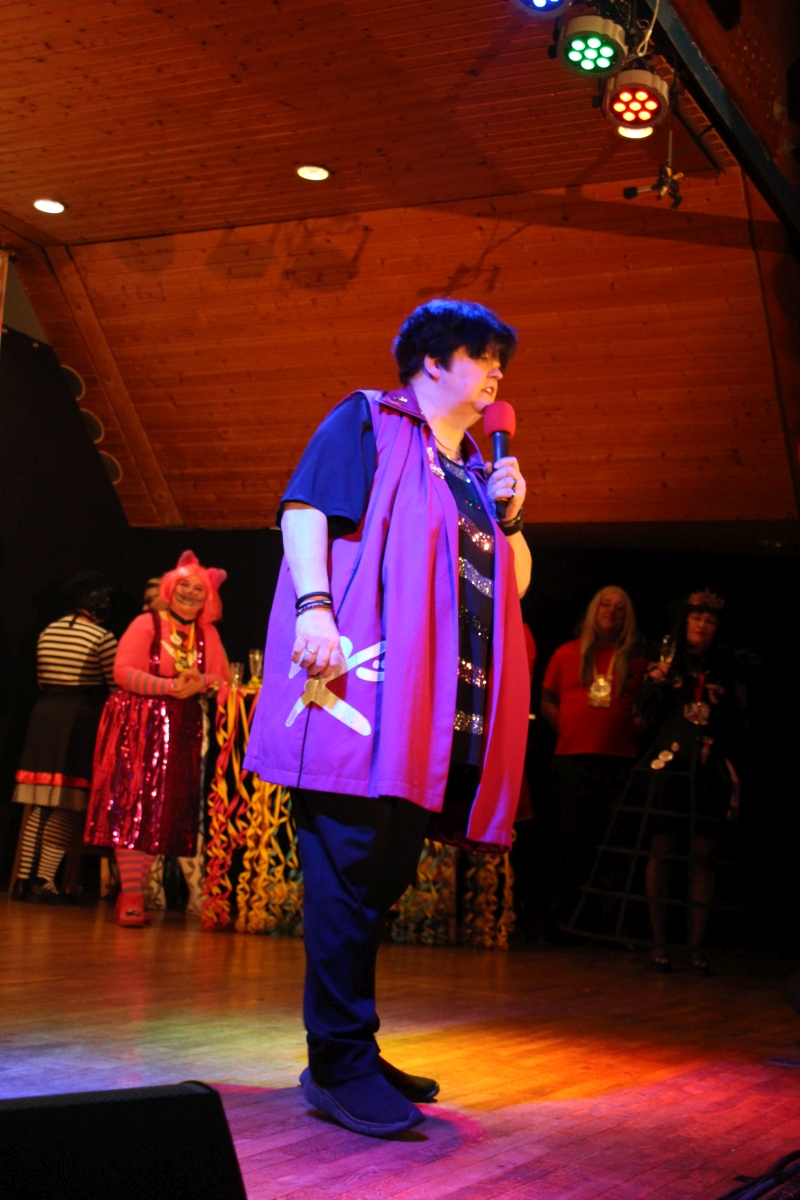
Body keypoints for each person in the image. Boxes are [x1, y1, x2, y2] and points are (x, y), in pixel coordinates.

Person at [244, 299, 531, 1137]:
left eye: (500, 361)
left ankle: (353, 1048)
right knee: (347, 875)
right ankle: (338, 1064)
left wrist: (511, 515)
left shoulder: (473, 471)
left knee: (379, 881)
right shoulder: (368, 419)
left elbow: (512, 586)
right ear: (432, 362)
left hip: (430, 712)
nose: (496, 373)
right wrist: (314, 607)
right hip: (359, 693)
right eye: (482, 355)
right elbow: (304, 509)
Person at [84, 551, 229, 927]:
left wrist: (201, 682)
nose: (191, 592)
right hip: (137, 723)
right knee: (132, 807)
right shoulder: (146, 623)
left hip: (181, 729)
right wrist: (167, 687)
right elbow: (122, 671)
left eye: (199, 588)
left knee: (161, 812)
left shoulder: (207, 634)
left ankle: (136, 893)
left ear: (209, 597)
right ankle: (132, 895)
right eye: (184, 585)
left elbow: (223, 677)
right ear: (170, 587)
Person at [640, 589, 739, 975]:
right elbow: (643, 714)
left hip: (707, 769)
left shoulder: (724, 670)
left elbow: (737, 722)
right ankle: (659, 942)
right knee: (661, 850)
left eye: (709, 621)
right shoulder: (667, 661)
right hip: (670, 767)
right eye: (696, 618)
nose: (702, 625)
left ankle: (697, 946)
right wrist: (654, 683)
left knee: (704, 856)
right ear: (685, 622)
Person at [541, 586, 646, 931]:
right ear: (593, 610)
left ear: (627, 618)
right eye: (606, 604)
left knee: (614, 845)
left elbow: (647, 708)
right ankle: (562, 921)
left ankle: (606, 925)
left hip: (619, 762)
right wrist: (569, 728)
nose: (611, 611)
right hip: (572, 760)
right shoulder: (566, 653)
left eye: (619, 608)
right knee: (569, 841)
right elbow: (546, 700)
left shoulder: (637, 661)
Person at [11, 572, 117, 903]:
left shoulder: (48, 632)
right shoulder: (101, 636)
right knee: (69, 804)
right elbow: (115, 685)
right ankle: (44, 880)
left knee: (41, 802)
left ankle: (24, 880)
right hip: (78, 717)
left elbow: (42, 680)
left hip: (45, 714)